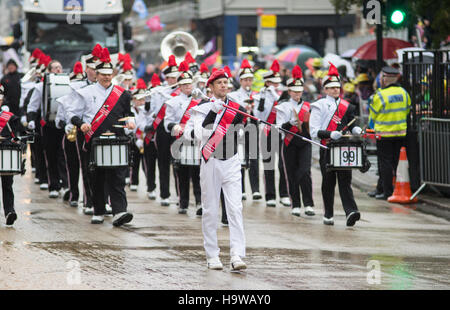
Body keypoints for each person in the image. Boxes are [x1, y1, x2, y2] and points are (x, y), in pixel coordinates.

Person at [183, 69, 248, 271]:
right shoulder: (200, 108)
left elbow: (242, 131)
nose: (223, 85)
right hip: (210, 161)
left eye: (226, 82)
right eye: (219, 82)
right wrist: (212, 112)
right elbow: (195, 135)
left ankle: (237, 255)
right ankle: (212, 255)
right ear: (210, 87)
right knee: (211, 210)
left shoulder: (236, 107)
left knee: (235, 209)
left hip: (231, 160)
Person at [66, 47, 135, 226]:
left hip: (117, 141)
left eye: (109, 74)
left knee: (118, 177)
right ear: (96, 74)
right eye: (103, 74)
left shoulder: (122, 94)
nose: (106, 77)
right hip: (94, 140)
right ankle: (98, 209)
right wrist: (81, 124)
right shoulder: (85, 92)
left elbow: (128, 114)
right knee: (96, 176)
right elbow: (73, 113)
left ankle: (119, 211)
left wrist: (131, 122)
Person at [310, 62, 362, 227]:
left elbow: (351, 123)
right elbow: (314, 131)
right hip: (327, 147)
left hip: (344, 147)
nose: (335, 90)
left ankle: (351, 211)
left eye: (337, 87)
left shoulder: (347, 106)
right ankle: (328, 213)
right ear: (325, 89)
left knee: (345, 181)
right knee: (328, 182)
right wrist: (329, 133)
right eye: (331, 88)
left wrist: (356, 129)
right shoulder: (318, 106)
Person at [276, 65, 315, 217]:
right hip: (289, 142)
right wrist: (290, 123)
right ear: (289, 91)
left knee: (304, 171)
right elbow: (279, 127)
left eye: (299, 91)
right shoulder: (283, 106)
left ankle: (309, 204)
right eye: (294, 91)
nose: (297, 94)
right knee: (291, 173)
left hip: (304, 141)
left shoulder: (309, 106)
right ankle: (296, 204)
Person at [27, 57, 68, 198]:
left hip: (62, 125)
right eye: (55, 68)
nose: (58, 70)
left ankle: (66, 184)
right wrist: (31, 120)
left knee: (63, 155)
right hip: (48, 125)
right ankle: (54, 186)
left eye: (60, 67)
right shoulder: (40, 87)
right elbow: (32, 106)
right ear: (49, 72)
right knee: (50, 156)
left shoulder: (67, 85)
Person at [164, 61, 202, 214]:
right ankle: (183, 202)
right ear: (179, 86)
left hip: (195, 139)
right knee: (182, 172)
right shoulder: (173, 102)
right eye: (185, 85)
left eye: (190, 84)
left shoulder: (200, 100)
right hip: (180, 139)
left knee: (198, 173)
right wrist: (175, 127)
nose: (188, 87)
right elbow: (167, 122)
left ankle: (200, 202)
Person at [368, 66, 411, 200]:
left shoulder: (380, 95)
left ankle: (386, 191)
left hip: (384, 134)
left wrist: (370, 129)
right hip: (400, 134)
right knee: (393, 162)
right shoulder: (404, 93)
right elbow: (408, 110)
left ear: (385, 79)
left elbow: (372, 116)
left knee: (384, 164)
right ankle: (380, 188)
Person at [144, 55, 180, 206]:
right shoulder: (159, 91)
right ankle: (164, 195)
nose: (172, 79)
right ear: (166, 77)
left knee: (178, 162)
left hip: (177, 128)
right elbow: (150, 110)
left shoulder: (183, 91)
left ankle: (180, 196)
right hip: (162, 128)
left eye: (175, 77)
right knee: (163, 162)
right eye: (169, 77)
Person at [254, 60, 290, 207]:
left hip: (281, 131)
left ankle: (284, 194)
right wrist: (263, 97)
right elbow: (259, 116)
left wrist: (276, 95)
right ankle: (270, 195)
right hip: (267, 131)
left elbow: (285, 109)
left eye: (277, 82)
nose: (276, 85)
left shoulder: (285, 94)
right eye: (272, 82)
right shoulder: (259, 96)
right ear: (266, 82)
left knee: (283, 164)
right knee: (268, 164)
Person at [228, 59, 262, 202]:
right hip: (239, 128)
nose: (248, 82)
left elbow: (261, 115)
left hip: (252, 127)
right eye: (245, 80)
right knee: (240, 158)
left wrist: (254, 109)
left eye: (250, 79)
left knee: (254, 158)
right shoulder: (234, 95)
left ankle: (255, 189)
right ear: (240, 81)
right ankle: (241, 189)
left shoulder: (257, 95)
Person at [0, 85, 23, 226]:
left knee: (7, 184)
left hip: (4, 152)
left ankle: (10, 211)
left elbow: (17, 136)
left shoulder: (10, 118)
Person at [129, 79, 148, 192]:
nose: (141, 102)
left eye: (143, 99)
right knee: (134, 162)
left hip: (145, 138)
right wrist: (136, 139)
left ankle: (149, 184)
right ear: (134, 100)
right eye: (139, 99)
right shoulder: (130, 111)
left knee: (147, 164)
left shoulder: (146, 111)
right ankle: (133, 181)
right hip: (133, 139)